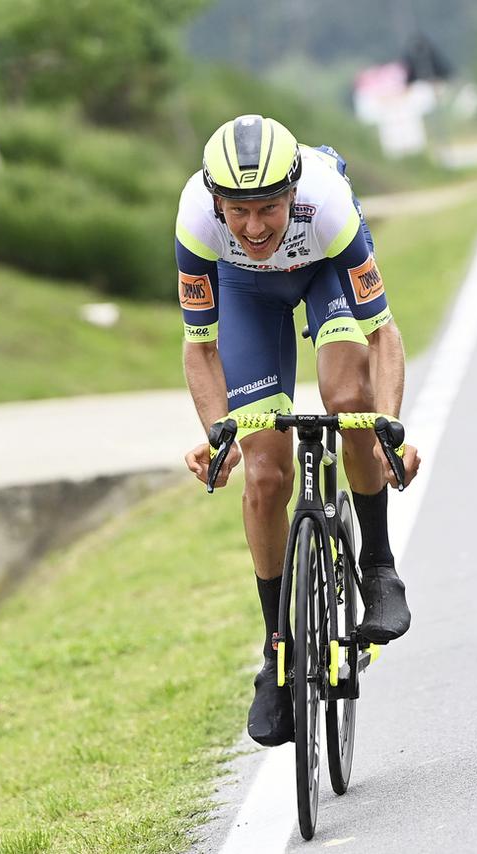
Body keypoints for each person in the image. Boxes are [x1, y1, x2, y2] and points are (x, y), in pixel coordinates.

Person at [175, 115, 421, 746]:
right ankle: (275, 650)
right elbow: (200, 349)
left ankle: (377, 567)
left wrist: (391, 425)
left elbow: (383, 334)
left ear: (293, 194)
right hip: (247, 296)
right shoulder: (197, 221)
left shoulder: (330, 205)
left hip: (326, 278)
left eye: (269, 209)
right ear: (215, 201)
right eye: (238, 211)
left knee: (347, 398)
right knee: (263, 473)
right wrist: (218, 433)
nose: (254, 228)